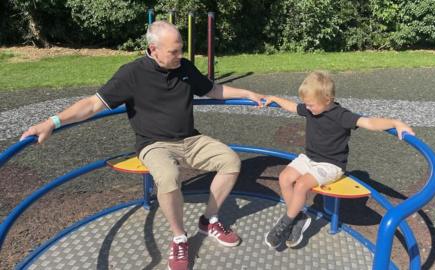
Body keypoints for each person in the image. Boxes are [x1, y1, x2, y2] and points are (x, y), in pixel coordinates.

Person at [20, 21, 265, 270]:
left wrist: (247, 94)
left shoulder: (184, 67)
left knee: (230, 161)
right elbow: (93, 104)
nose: (180, 56)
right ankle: (179, 237)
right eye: (173, 52)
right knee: (169, 176)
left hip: (190, 138)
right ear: (153, 49)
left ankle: (209, 219)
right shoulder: (131, 74)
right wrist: (52, 122)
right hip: (154, 143)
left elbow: (212, 89)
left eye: (181, 49)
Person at [263, 71, 414, 249]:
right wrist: (274, 98)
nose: (307, 108)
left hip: (331, 165)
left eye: (310, 105)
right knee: (284, 177)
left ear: (327, 99)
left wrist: (396, 123)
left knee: (302, 185)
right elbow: (292, 106)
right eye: (306, 104)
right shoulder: (311, 108)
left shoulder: (342, 115)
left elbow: (369, 123)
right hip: (310, 158)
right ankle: (298, 218)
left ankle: (285, 223)